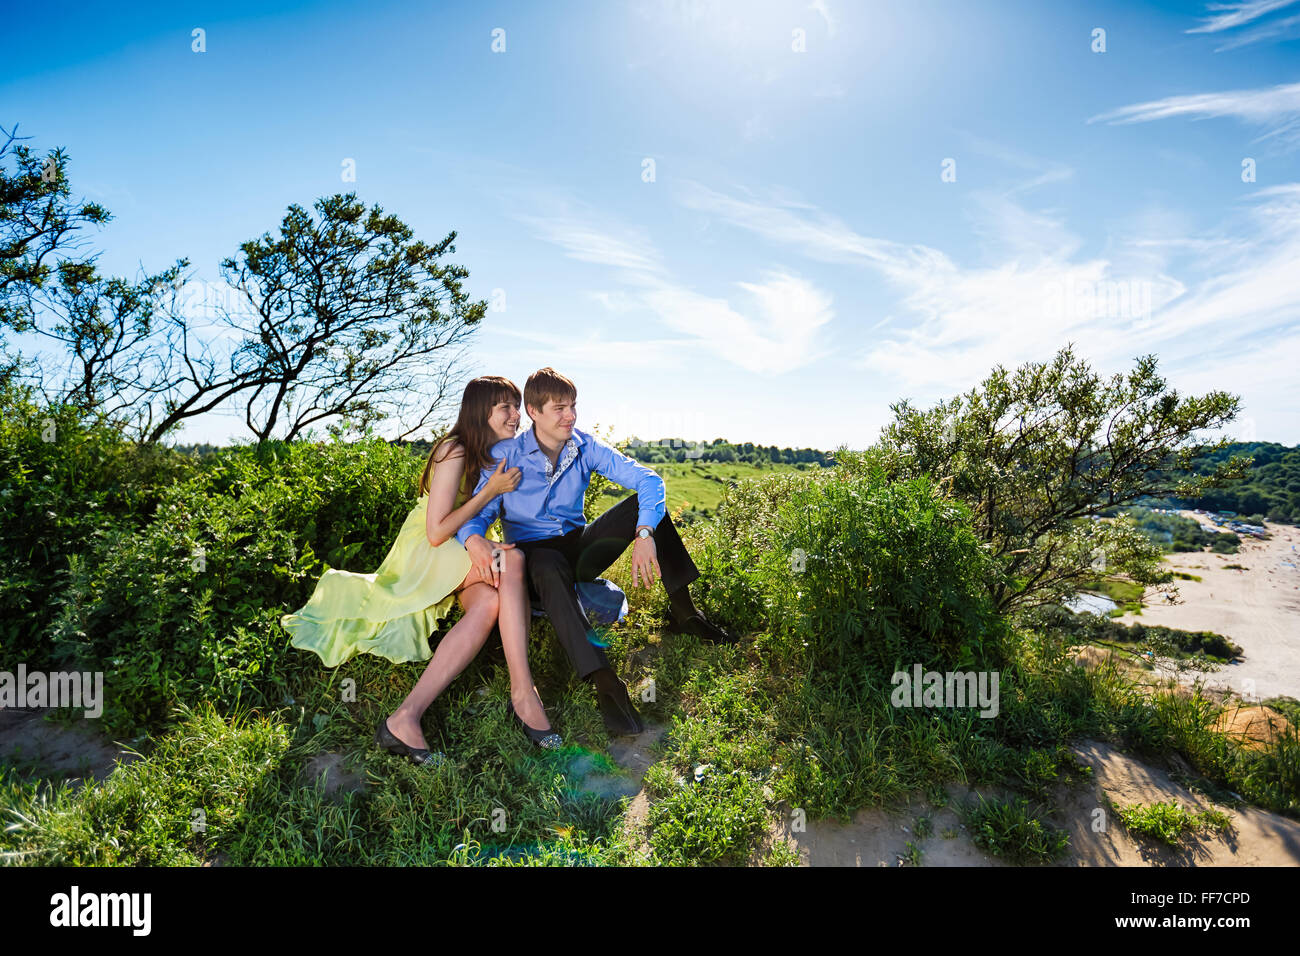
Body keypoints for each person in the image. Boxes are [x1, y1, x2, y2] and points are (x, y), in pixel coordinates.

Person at [280, 376, 561, 765]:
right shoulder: (455, 449)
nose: (517, 414)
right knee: (510, 561)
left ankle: (404, 719)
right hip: (431, 548)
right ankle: (523, 693)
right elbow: (435, 531)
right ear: (482, 412)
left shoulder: (496, 452)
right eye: (506, 407)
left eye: (516, 406)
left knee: (489, 604)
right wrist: (489, 493)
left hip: (462, 545)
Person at [456, 367, 734, 736]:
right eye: (559, 408)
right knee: (548, 563)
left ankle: (685, 614)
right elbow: (476, 514)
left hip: (578, 547)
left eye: (573, 406)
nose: (570, 415)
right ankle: (606, 684)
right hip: (533, 561)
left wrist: (645, 531)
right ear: (534, 412)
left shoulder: (584, 445)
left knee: (646, 505)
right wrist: (473, 539)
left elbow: (648, 480)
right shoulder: (505, 455)